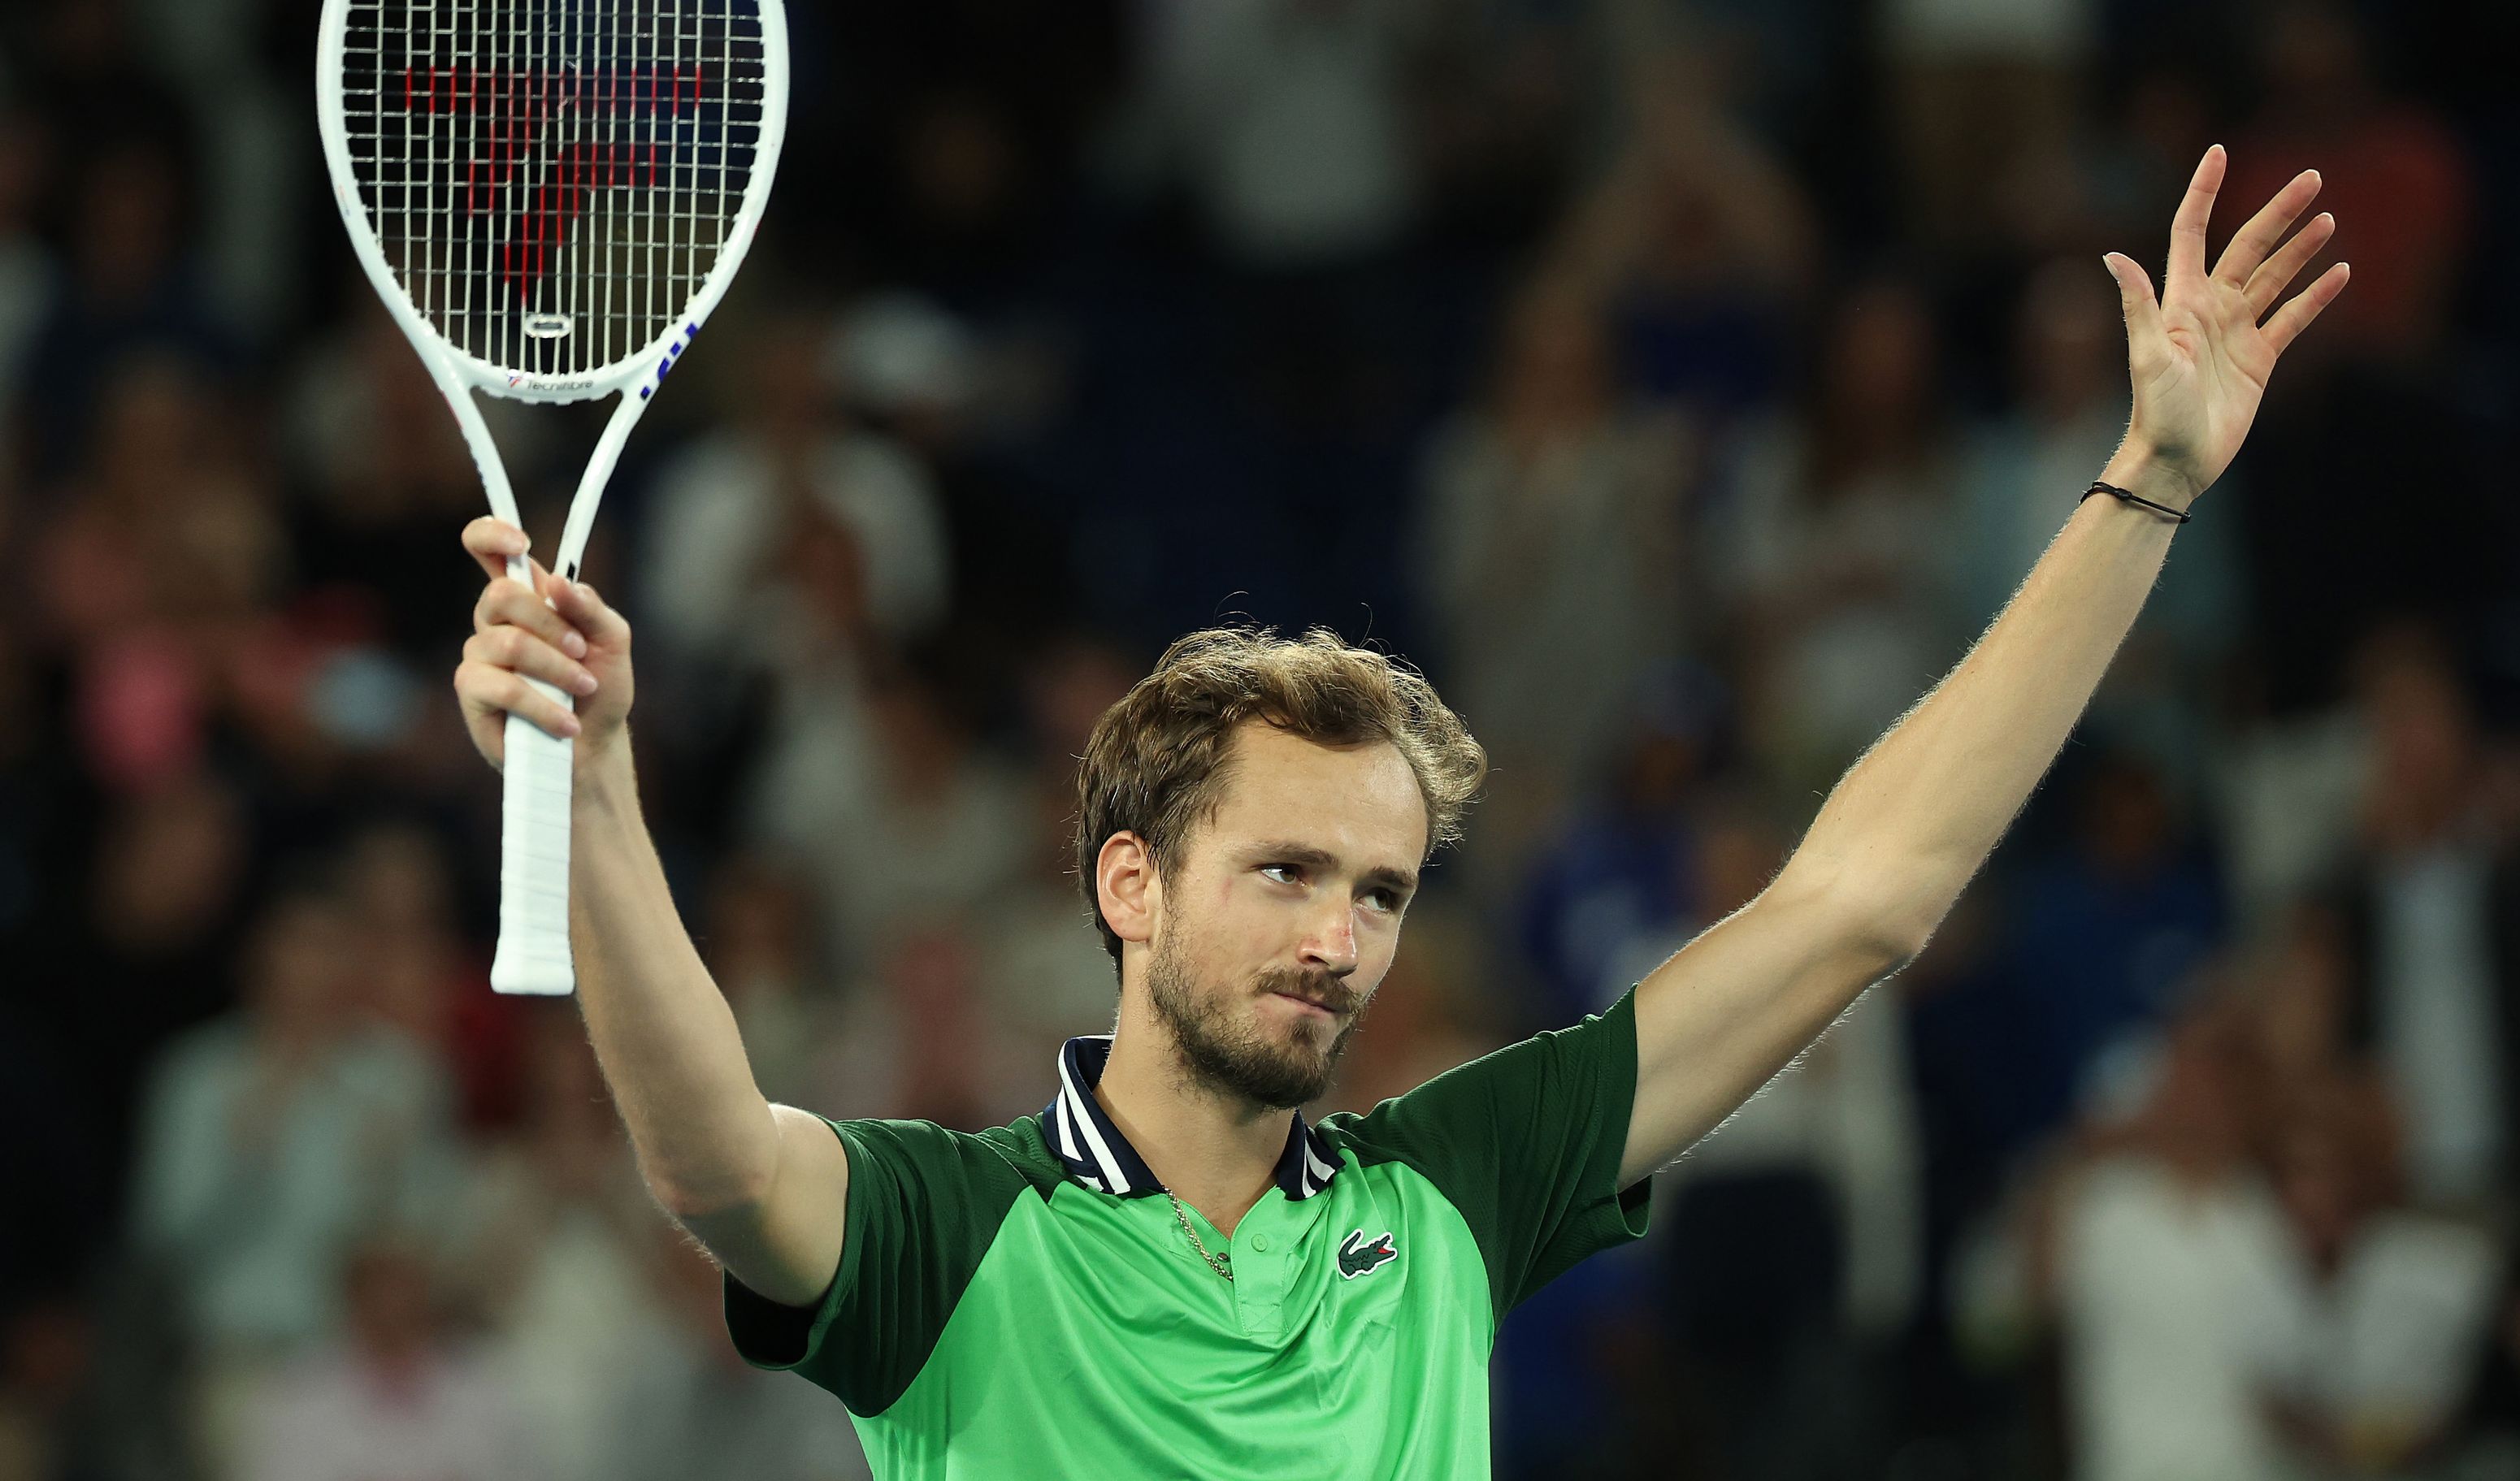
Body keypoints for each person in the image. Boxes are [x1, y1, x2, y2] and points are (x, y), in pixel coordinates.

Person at [446, 146, 2349, 1478]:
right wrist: (596, 790)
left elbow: (1864, 896)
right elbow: (710, 1159)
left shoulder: (1451, 1189)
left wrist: (2144, 495)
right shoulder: (954, 1232)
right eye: (1286, 869)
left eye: (1378, 887)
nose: (1341, 936)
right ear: (1131, 878)